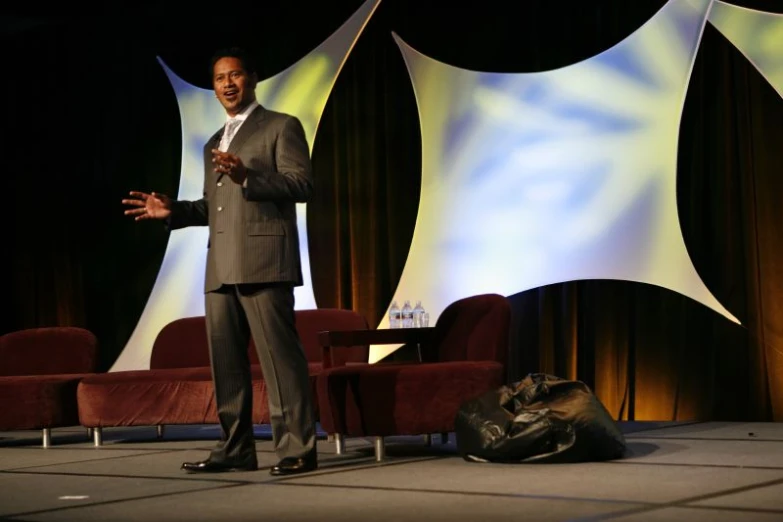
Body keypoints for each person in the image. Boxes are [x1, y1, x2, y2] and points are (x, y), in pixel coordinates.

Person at [122, 47, 317, 475]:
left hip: (265, 260)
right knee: (226, 366)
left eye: (235, 76)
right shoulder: (214, 141)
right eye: (218, 79)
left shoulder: (281, 126)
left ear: (252, 78)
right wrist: (173, 210)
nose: (227, 84)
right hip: (220, 266)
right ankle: (235, 448)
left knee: (279, 363)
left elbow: (300, 184)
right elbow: (215, 207)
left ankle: (297, 447)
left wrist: (248, 176)